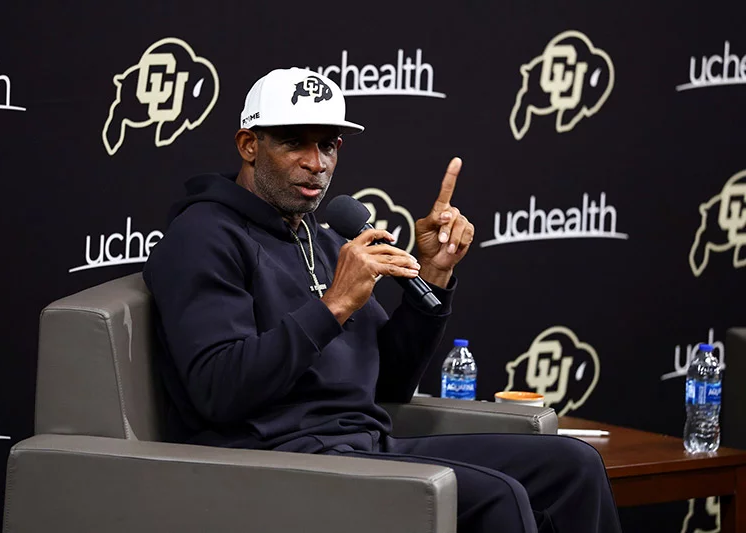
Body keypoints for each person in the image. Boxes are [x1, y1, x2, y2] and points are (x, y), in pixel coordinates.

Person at [143, 67, 621, 533]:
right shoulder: (202, 237)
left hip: (364, 446)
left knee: (572, 466)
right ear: (249, 145)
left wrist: (432, 276)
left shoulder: (324, 241)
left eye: (327, 144)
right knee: (499, 495)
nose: (317, 162)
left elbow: (389, 384)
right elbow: (217, 391)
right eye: (294, 142)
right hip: (273, 462)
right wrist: (332, 306)